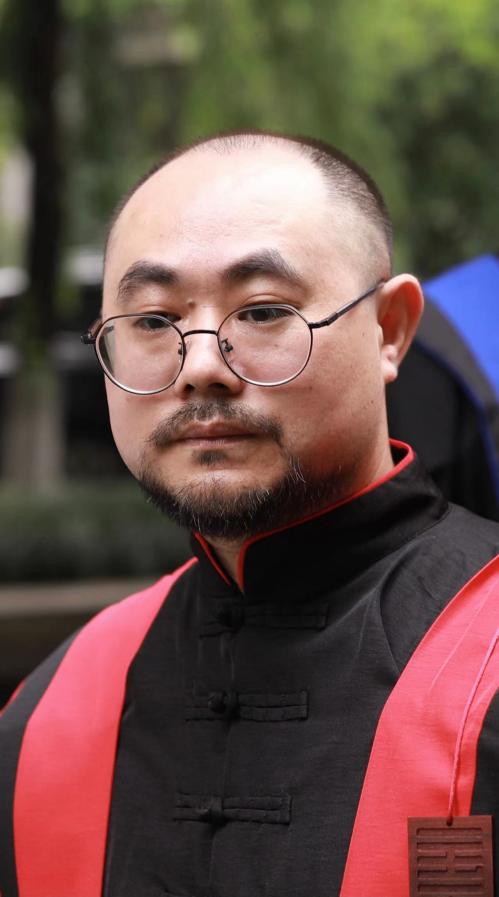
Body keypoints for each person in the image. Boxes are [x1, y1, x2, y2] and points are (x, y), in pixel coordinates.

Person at [1, 131, 498, 897]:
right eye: (152, 321)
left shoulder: (483, 659)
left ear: (389, 329)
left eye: (262, 310)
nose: (200, 365)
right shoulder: (51, 713)